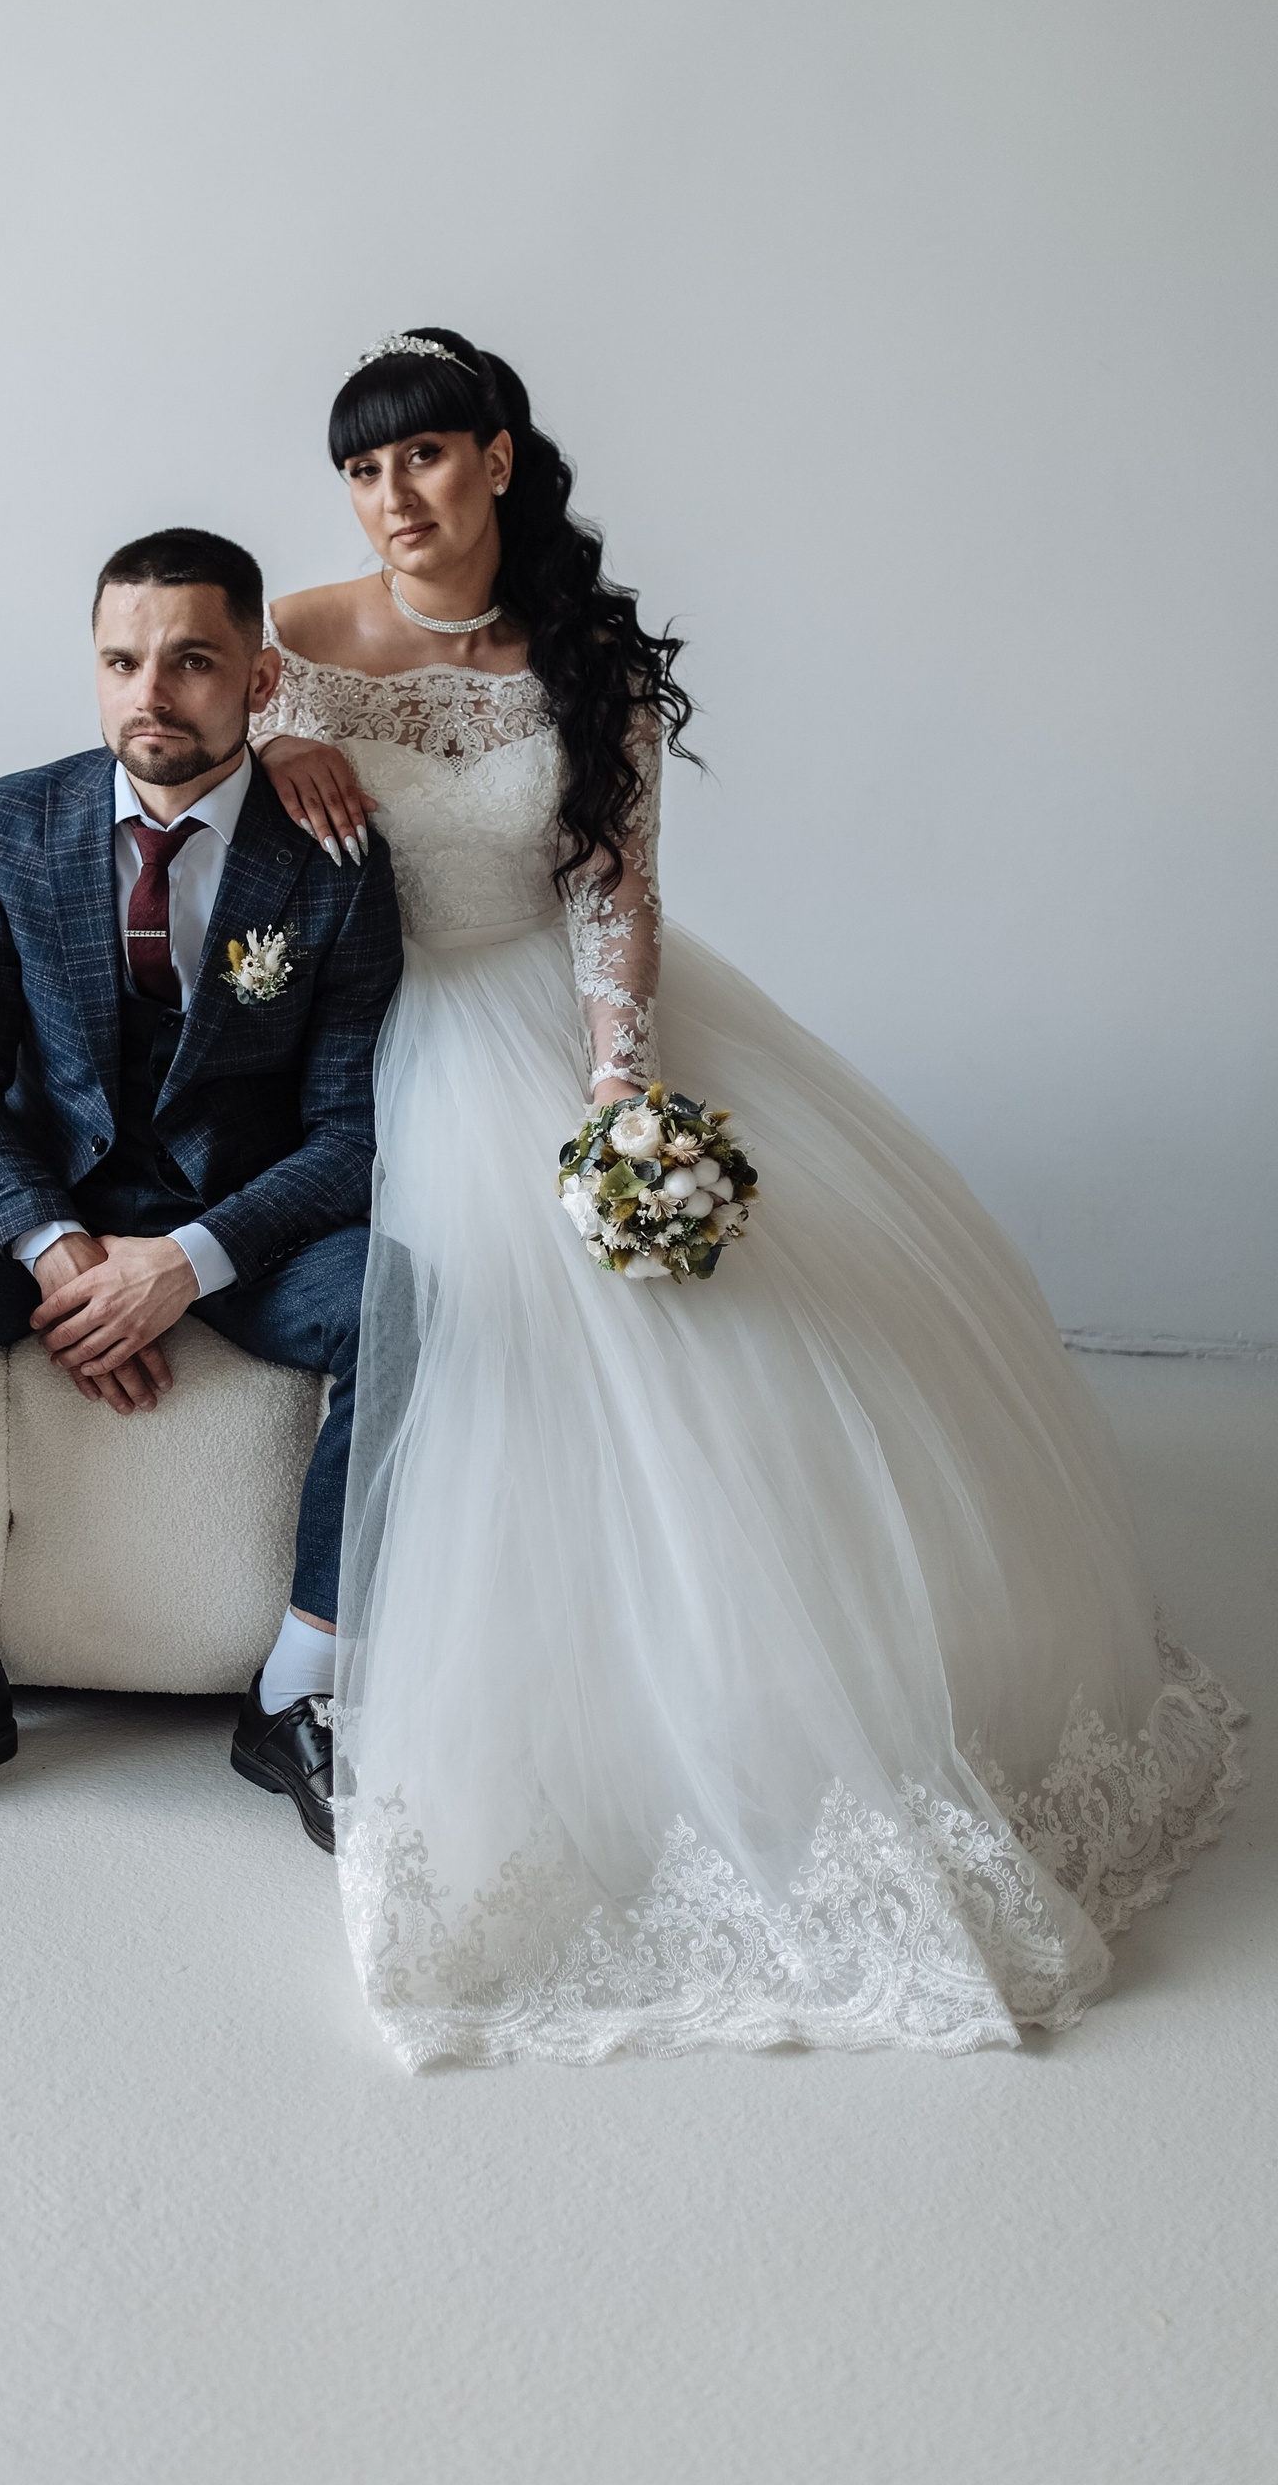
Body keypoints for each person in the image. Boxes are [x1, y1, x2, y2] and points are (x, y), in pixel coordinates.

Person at [252, 328, 1246, 2072]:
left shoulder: (587, 657)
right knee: (498, 1312)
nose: (391, 497)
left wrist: (620, 1088)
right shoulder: (299, 642)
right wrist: (276, 754)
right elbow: (180, 764)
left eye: (422, 456)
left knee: (725, 1307)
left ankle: (782, 1697)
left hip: (552, 1019)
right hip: (379, 1032)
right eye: (361, 468)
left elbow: (612, 890)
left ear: (495, 459)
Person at [0, 526, 401, 1844]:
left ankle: (297, 1692)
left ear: (259, 680)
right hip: (48, 1196)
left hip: (249, 1225)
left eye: (191, 662)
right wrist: (55, 1248)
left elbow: (349, 1136)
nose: (149, 694)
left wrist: (183, 1266)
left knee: (411, 1316)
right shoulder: (15, 821)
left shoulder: (333, 855)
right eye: (121, 662)